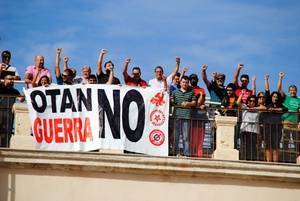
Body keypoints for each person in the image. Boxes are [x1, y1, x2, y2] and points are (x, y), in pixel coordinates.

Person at [171, 76, 196, 157]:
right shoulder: (175, 92)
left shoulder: (191, 92)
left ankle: (186, 154)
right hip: (176, 117)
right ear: (180, 83)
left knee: (186, 136)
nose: (184, 84)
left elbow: (194, 103)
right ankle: (175, 152)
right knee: (176, 136)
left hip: (186, 116)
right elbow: (172, 102)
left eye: (186, 82)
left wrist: (187, 103)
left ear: (188, 83)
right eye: (183, 82)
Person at [277, 72, 300, 161]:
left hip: (295, 123)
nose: (292, 91)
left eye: (294, 90)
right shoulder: (286, 98)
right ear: (289, 91)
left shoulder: (299, 99)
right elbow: (279, 89)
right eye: (291, 90)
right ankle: (285, 157)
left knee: (296, 141)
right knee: (285, 141)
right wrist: (280, 78)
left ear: (296, 91)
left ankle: (297, 158)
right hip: (286, 122)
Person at [0, 75, 21, 147]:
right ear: (5, 80)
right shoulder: (1, 87)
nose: (12, 81)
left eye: (12, 79)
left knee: (8, 130)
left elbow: (21, 99)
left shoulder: (15, 91)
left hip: (9, 113)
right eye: (10, 79)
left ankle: (5, 146)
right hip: (1, 110)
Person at [189, 73, 207, 157]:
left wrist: (200, 101)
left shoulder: (201, 89)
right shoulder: (188, 89)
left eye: (195, 78)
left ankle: (199, 155)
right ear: (189, 80)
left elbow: (201, 102)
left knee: (200, 138)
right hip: (190, 115)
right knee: (191, 137)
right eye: (192, 79)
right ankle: (192, 154)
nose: (193, 80)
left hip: (200, 116)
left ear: (197, 80)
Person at [239, 95, 260, 161]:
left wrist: (254, 108)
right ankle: (243, 160)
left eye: (254, 101)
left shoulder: (258, 109)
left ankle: (252, 161)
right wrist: (241, 95)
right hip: (245, 130)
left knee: (253, 147)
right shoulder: (245, 108)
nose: (252, 102)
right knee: (244, 146)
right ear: (248, 102)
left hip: (255, 131)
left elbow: (264, 107)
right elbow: (237, 103)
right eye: (250, 101)